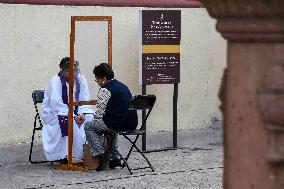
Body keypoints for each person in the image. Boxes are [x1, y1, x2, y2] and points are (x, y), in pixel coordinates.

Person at [84, 63, 138, 170]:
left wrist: (98, 127)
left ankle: (101, 154)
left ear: (103, 78)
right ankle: (115, 158)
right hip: (132, 123)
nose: (97, 83)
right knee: (110, 129)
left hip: (116, 124)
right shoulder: (123, 86)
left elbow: (99, 114)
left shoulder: (105, 89)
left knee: (89, 126)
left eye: (97, 80)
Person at [41, 57, 94, 163]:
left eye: (75, 70)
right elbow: (57, 105)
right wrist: (74, 115)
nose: (73, 73)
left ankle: (87, 152)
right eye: (69, 71)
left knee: (90, 117)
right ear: (62, 71)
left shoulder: (80, 79)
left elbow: (85, 99)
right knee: (67, 119)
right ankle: (64, 155)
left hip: (77, 111)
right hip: (54, 114)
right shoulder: (54, 82)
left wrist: (82, 113)